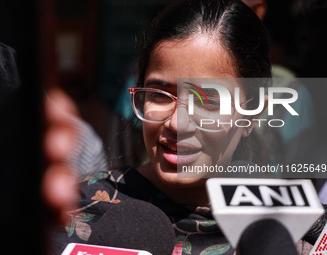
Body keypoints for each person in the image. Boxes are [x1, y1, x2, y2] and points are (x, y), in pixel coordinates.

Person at [49, 0, 312, 254]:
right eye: (160, 95)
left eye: (208, 100)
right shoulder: (64, 213)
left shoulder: (301, 234)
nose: (177, 123)